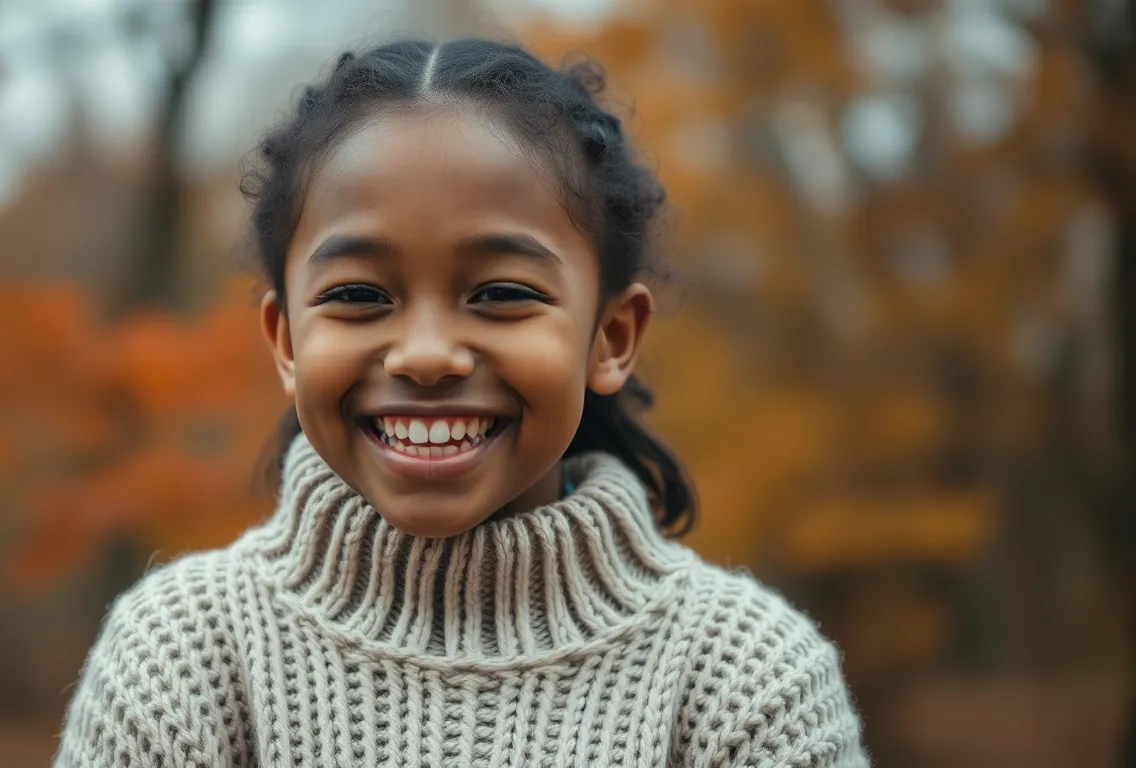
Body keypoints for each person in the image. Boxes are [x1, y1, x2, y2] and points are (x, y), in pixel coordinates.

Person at [54, 38, 868, 767]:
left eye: (503, 292)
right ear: (287, 342)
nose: (428, 355)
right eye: (362, 294)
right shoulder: (186, 658)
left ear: (611, 337)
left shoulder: (745, 678)